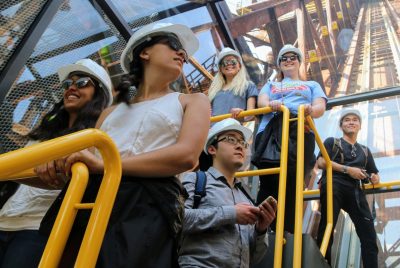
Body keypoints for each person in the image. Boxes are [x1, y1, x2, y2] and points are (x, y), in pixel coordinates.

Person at [41, 22, 210, 267]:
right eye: (174, 45)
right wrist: (55, 165)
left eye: (184, 51)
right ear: (144, 52)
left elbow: (186, 156)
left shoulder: (193, 101)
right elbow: (84, 160)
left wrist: (104, 165)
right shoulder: (109, 113)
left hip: (146, 206)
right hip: (91, 198)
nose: (182, 54)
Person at [0, 58, 112, 268]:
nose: (71, 88)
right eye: (67, 84)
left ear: (99, 93)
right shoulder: (43, 135)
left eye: (81, 83)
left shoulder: (97, 136)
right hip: (6, 217)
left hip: (39, 227)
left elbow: (73, 180)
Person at [179, 118, 277, 268]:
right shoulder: (196, 179)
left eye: (243, 143)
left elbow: (253, 258)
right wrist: (231, 214)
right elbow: (179, 220)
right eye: (231, 139)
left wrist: (261, 230)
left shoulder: (246, 198)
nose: (240, 146)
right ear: (212, 149)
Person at [254, 44, 327, 233]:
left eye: (292, 57)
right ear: (279, 64)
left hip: (300, 129)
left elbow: (320, 107)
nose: (288, 60)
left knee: (293, 182)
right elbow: (261, 101)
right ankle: (260, 230)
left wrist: (311, 110)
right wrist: (271, 104)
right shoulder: (271, 85)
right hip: (272, 130)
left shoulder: (312, 85)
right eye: (284, 58)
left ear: (299, 62)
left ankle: (286, 233)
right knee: (269, 180)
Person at [316, 109, 379, 268]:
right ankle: (323, 264)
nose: (351, 122)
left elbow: (375, 175)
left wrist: (373, 178)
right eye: (347, 120)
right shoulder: (332, 142)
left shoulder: (365, 150)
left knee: (369, 236)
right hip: (334, 183)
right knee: (327, 227)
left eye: (355, 120)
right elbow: (321, 163)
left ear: (359, 125)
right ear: (341, 125)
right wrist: (348, 170)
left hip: (356, 191)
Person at [208, 47, 258, 120]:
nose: (229, 64)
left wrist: (242, 113)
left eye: (233, 61)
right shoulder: (213, 91)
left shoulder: (248, 86)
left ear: (239, 66)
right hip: (215, 130)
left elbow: (250, 115)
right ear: (220, 69)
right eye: (224, 62)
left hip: (234, 129)